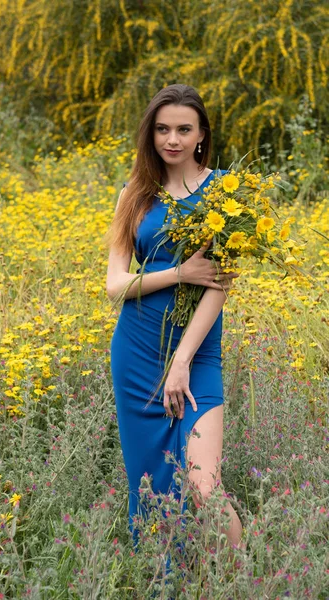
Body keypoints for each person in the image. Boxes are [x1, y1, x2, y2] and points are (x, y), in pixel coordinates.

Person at [105, 84, 244, 554]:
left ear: (202, 134)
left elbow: (220, 284)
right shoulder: (133, 194)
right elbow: (114, 285)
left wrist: (183, 359)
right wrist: (179, 272)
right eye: (163, 129)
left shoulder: (226, 192)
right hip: (137, 353)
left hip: (197, 356)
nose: (173, 139)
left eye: (184, 129)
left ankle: (243, 582)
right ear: (151, 133)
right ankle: (172, 582)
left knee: (204, 487)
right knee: (150, 486)